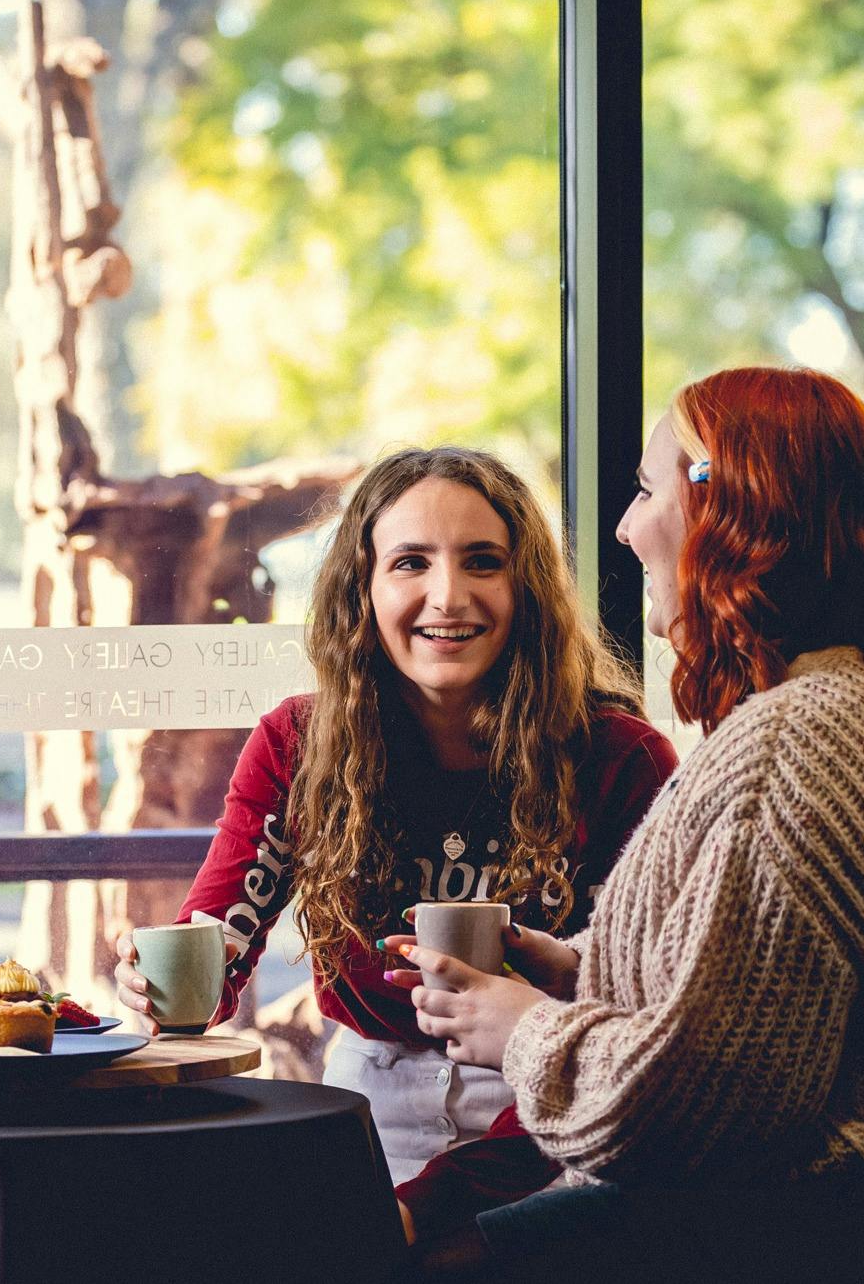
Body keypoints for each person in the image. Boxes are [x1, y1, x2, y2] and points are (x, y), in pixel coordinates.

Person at [391, 367, 864, 1281]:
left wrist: (520, 1029)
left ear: (730, 512)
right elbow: (779, 995)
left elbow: (682, 1116)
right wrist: (579, 966)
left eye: (643, 491)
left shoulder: (798, 751)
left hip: (836, 1243)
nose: (626, 529)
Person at [110, 446, 679, 1244]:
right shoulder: (296, 743)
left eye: (484, 561)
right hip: (364, 1108)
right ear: (362, 589)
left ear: (528, 589)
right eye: (411, 561)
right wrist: (160, 988)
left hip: (555, 1111)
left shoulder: (623, 758)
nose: (448, 595)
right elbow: (215, 945)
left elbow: (638, 1022)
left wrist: (422, 1212)